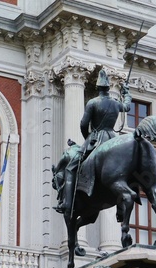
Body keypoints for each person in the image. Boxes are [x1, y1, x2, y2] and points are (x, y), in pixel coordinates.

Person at [56, 69, 132, 215]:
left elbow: (84, 124)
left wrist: (88, 139)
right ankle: (120, 208)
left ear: (98, 88)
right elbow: (127, 107)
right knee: (121, 171)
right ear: (108, 88)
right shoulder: (116, 103)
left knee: (71, 167)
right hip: (112, 138)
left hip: (96, 138)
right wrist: (127, 94)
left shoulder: (93, 102)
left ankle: (67, 203)